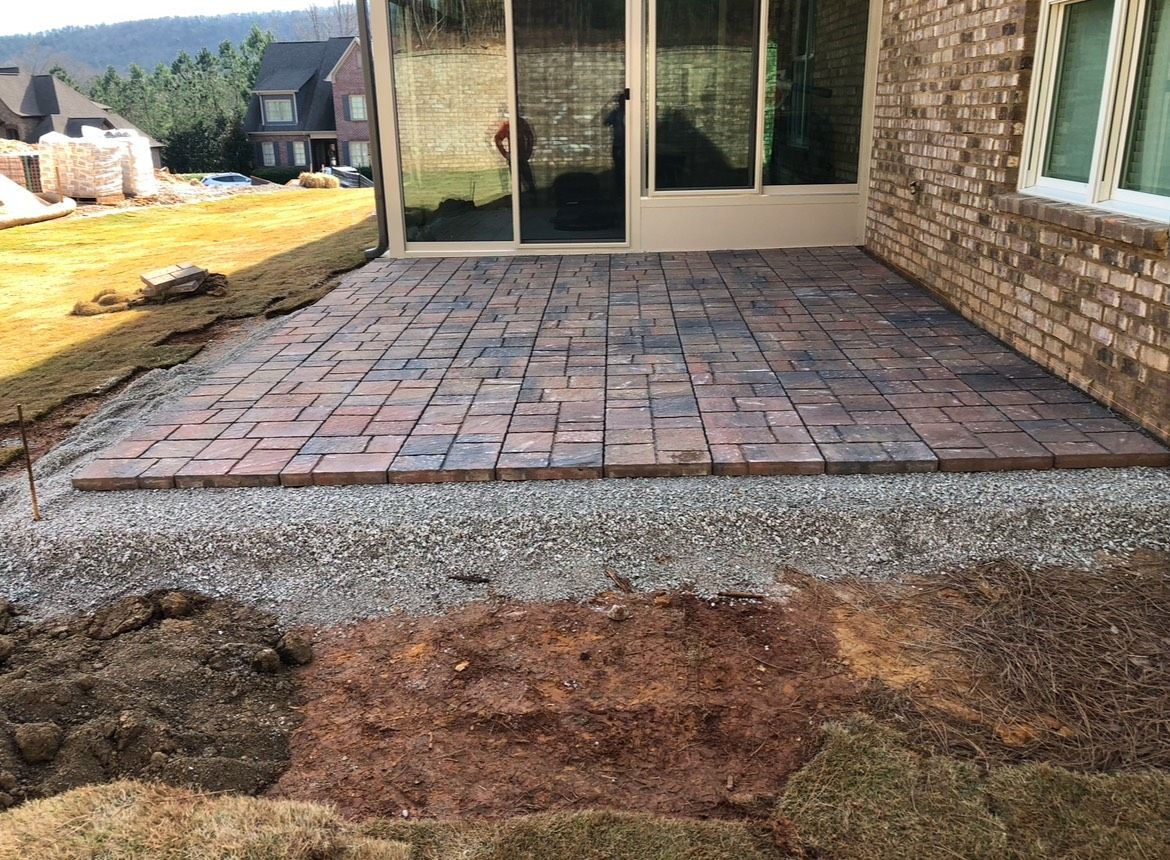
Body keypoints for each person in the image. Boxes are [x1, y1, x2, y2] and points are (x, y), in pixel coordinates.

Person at [494, 116, 537, 195]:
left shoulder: (522, 123)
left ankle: (533, 200)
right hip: (514, 157)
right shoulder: (508, 125)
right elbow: (498, 138)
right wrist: (505, 153)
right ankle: (521, 201)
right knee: (517, 182)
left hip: (522, 157)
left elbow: (530, 138)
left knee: (529, 181)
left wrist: (528, 152)